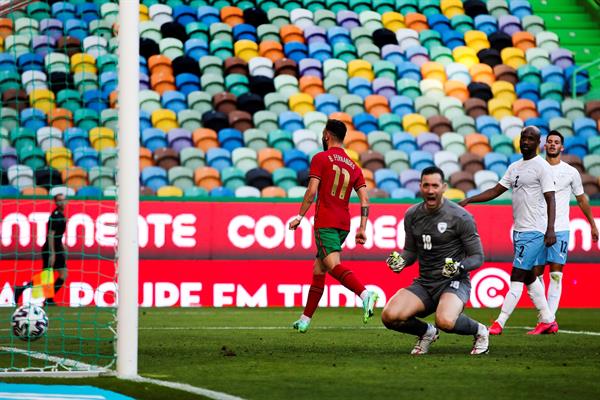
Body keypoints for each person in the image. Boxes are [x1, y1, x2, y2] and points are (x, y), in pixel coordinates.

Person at [459, 126, 558, 335]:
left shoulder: (542, 167)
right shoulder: (515, 167)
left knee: (517, 275)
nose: (526, 142)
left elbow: (551, 198)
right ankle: (548, 319)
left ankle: (499, 322)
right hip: (519, 231)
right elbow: (496, 191)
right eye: (523, 138)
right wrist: (470, 199)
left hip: (536, 230)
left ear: (538, 143)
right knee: (529, 275)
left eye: (531, 139)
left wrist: (550, 229)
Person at [382, 166, 489, 355]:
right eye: (426, 185)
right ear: (420, 187)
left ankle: (480, 331)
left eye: (435, 185)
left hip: (454, 282)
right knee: (389, 316)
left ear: (444, 187)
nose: (430, 190)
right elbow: (410, 251)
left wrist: (459, 266)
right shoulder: (412, 215)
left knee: (446, 321)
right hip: (425, 283)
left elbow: (478, 257)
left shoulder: (460, 216)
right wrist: (401, 261)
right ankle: (427, 332)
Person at [288, 119, 378, 333]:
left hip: (325, 221)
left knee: (332, 265)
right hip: (344, 224)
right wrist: (362, 227)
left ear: (327, 135)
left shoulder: (320, 158)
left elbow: (311, 192)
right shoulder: (353, 166)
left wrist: (300, 216)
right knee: (319, 268)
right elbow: (365, 200)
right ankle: (305, 320)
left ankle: (366, 295)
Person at [533, 131, 599, 317]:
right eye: (550, 142)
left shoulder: (570, 172)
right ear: (544, 146)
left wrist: (592, 225)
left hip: (560, 229)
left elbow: (581, 200)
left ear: (562, 147)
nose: (553, 145)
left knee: (556, 274)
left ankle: (549, 318)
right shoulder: (535, 168)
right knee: (536, 275)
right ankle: (544, 314)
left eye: (556, 142)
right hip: (537, 228)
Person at [14, 194, 68, 306]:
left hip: (57, 247)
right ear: (56, 202)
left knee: (62, 274)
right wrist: (52, 252)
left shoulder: (61, 215)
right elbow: (51, 235)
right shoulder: (55, 216)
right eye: (59, 201)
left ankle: (48, 299)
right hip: (50, 248)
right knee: (47, 276)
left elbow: (58, 235)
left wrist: (62, 246)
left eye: (63, 200)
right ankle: (22, 290)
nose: (62, 203)